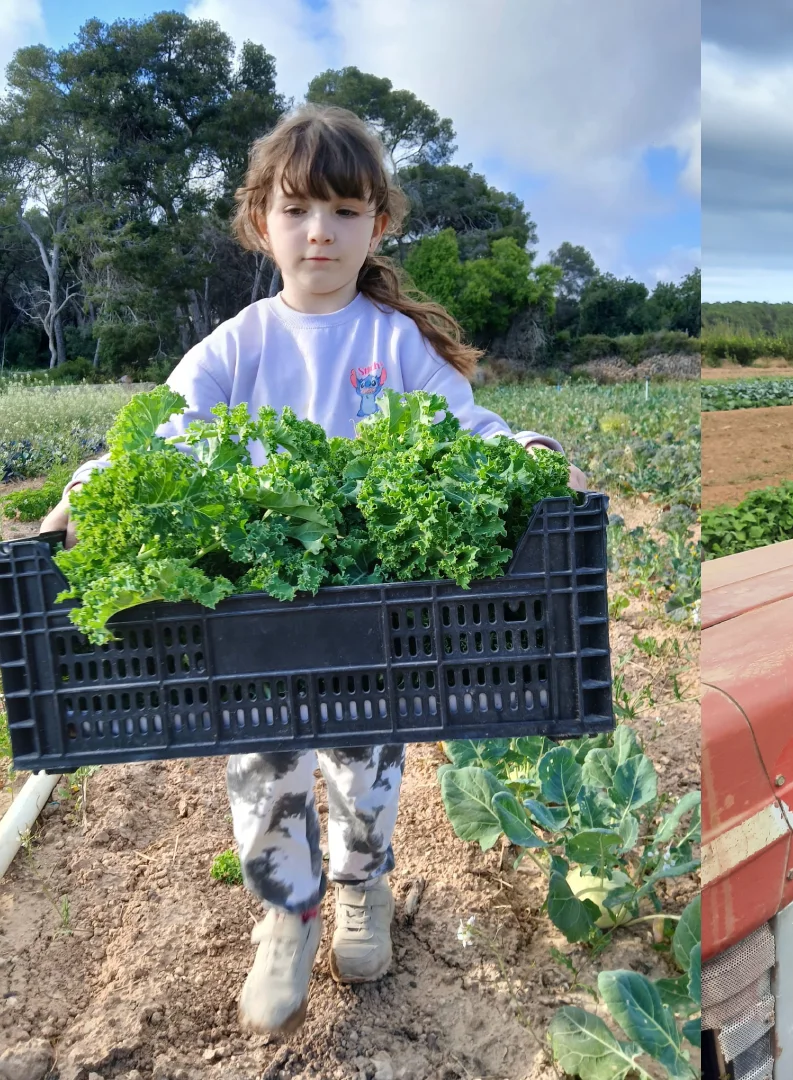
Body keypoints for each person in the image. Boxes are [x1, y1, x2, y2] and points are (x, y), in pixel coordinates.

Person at [36, 104, 588, 1034]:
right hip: (257, 616)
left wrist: (536, 450)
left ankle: (361, 892)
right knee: (264, 769)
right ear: (263, 224)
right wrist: (92, 485)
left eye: (343, 210)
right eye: (296, 211)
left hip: (371, 610)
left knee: (367, 764)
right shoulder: (238, 344)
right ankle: (285, 918)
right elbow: (156, 437)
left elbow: (473, 431)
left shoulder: (393, 343)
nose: (319, 232)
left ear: (379, 223)